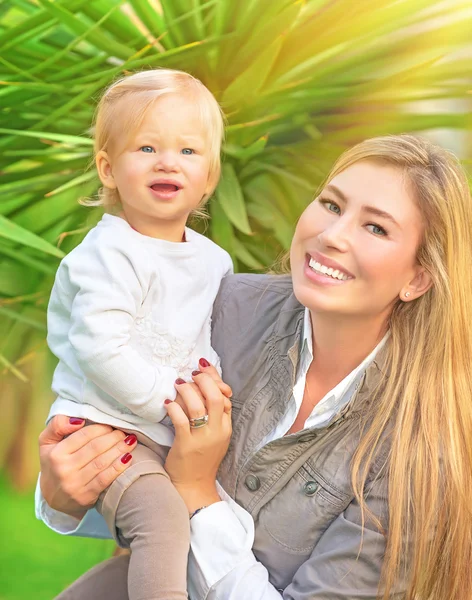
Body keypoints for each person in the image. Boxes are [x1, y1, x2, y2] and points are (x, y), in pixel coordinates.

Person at [37, 135, 472, 600]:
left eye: (376, 229)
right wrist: (66, 493)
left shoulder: (422, 448)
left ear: (417, 278)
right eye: (331, 204)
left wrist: (196, 491)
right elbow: (126, 459)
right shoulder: (222, 308)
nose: (333, 235)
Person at [43, 68, 233, 600]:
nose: (168, 161)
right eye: (146, 146)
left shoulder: (213, 261)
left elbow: (200, 339)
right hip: (107, 430)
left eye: (188, 151)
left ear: (210, 176)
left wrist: (209, 388)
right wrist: (171, 403)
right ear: (108, 168)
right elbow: (99, 347)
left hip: (168, 432)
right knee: (162, 523)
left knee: (199, 529)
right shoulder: (108, 256)